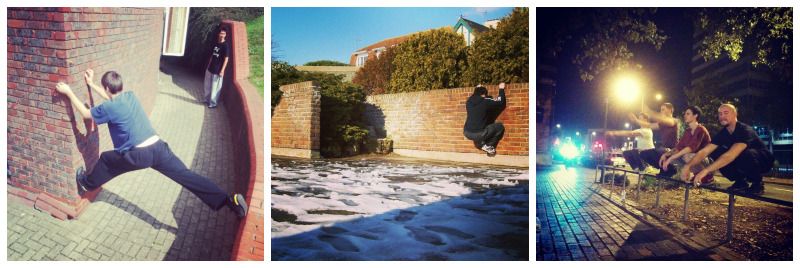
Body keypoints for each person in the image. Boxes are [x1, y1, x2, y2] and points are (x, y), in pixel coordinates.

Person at [54, 69, 248, 220]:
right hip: (159, 148)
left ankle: (86, 184)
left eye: (103, 89)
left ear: (107, 88)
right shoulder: (130, 96)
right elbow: (109, 97)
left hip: (138, 155)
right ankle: (229, 201)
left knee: (106, 159)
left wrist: (70, 92)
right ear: (119, 86)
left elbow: (87, 114)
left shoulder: (110, 106)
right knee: (186, 176)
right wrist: (92, 84)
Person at [680, 104, 774, 195]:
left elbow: (731, 155)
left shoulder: (744, 130)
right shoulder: (723, 133)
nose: (722, 116)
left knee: (743, 153)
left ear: (735, 114)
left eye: (726, 113)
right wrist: (688, 166)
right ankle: (740, 181)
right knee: (716, 152)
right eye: (720, 114)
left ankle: (757, 184)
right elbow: (704, 151)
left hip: (764, 161)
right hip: (743, 160)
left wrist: (705, 171)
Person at [659, 106, 714, 185]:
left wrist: (671, 158)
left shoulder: (700, 129)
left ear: (695, 116)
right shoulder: (688, 131)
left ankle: (708, 176)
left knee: (687, 156)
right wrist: (666, 155)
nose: (685, 116)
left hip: (707, 161)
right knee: (670, 155)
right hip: (694, 158)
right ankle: (696, 174)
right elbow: (679, 147)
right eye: (685, 114)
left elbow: (690, 148)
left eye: (688, 114)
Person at [631, 103, 680, 177]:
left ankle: (671, 168)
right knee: (643, 154)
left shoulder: (673, 121)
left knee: (656, 151)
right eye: (660, 110)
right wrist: (636, 120)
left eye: (663, 109)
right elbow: (650, 125)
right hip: (664, 148)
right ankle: (663, 167)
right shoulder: (662, 123)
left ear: (669, 110)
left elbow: (668, 121)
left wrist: (649, 111)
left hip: (673, 149)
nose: (661, 112)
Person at [463, 83, 507, 156]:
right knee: (499, 126)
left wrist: (478, 89)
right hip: (479, 133)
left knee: (481, 124)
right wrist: (501, 89)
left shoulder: (469, 101)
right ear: (483, 94)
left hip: (466, 132)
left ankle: (483, 144)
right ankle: (488, 146)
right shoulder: (484, 101)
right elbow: (501, 101)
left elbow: (475, 95)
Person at [203, 25, 230, 109]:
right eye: (221, 33)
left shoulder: (225, 46)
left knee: (215, 88)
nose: (222, 35)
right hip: (210, 68)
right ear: (218, 34)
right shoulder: (215, 44)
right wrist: (208, 66)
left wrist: (222, 71)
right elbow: (212, 56)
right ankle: (207, 99)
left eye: (224, 33)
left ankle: (213, 103)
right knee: (207, 85)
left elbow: (226, 59)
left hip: (217, 70)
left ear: (225, 35)